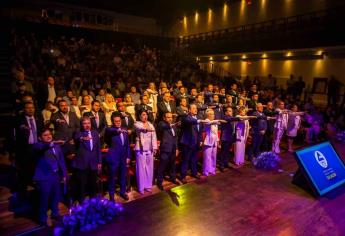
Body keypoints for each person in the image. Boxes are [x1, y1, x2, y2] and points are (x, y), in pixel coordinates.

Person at [32, 128, 67, 226]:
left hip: (56, 175)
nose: (48, 136)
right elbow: (41, 148)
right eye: (45, 135)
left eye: (49, 134)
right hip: (44, 177)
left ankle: (55, 213)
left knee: (56, 196)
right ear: (40, 138)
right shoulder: (38, 146)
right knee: (44, 198)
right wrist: (51, 144)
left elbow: (61, 160)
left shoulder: (56, 146)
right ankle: (42, 218)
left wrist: (64, 174)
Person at [14, 101, 44, 200]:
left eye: (32, 107)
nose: (31, 109)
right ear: (24, 109)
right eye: (28, 108)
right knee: (24, 169)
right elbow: (15, 134)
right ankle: (23, 190)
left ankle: (35, 183)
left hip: (37, 146)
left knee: (37, 166)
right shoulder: (19, 120)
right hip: (25, 148)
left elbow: (41, 131)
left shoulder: (38, 118)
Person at [72, 117, 102, 203]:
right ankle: (81, 201)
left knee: (93, 183)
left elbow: (98, 149)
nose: (87, 125)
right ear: (81, 124)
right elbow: (76, 137)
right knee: (82, 184)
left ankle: (93, 200)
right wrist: (82, 138)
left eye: (88, 123)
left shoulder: (95, 133)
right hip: (82, 164)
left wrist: (99, 162)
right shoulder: (79, 133)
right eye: (84, 123)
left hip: (93, 163)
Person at [104, 114, 131, 201]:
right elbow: (110, 131)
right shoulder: (109, 130)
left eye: (119, 121)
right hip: (113, 157)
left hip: (123, 157)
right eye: (116, 121)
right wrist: (118, 131)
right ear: (112, 122)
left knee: (123, 175)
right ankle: (111, 195)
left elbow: (127, 145)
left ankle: (123, 192)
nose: (118, 123)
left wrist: (128, 156)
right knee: (112, 177)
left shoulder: (125, 129)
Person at [134, 111, 157, 194]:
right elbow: (140, 128)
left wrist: (155, 148)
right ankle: (141, 187)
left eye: (146, 114)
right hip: (140, 149)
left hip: (149, 149)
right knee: (141, 169)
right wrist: (146, 129)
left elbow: (154, 136)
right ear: (140, 116)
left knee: (149, 168)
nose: (145, 116)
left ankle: (148, 186)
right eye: (143, 115)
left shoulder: (150, 124)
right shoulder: (137, 123)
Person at [180, 104, 204, 183]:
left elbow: (200, 131)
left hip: (196, 142)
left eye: (196, 108)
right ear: (189, 110)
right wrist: (199, 120)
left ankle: (194, 172)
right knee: (185, 160)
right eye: (193, 108)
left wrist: (200, 140)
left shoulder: (198, 118)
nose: (195, 110)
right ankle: (183, 176)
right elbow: (189, 121)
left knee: (194, 159)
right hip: (187, 142)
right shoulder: (186, 117)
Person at [156, 112, 179, 190]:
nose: (170, 118)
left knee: (173, 165)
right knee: (162, 166)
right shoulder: (161, 124)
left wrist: (176, 148)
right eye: (168, 117)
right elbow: (163, 127)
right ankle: (159, 182)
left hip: (173, 148)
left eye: (171, 117)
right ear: (164, 118)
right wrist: (171, 125)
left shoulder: (173, 125)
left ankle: (173, 178)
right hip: (165, 149)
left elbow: (175, 137)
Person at [219, 107, 240, 171]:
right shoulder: (225, 117)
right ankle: (221, 165)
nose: (230, 112)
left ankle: (226, 163)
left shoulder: (231, 118)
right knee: (223, 152)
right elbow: (229, 119)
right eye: (229, 111)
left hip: (230, 137)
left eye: (231, 111)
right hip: (225, 138)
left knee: (228, 152)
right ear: (226, 112)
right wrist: (239, 118)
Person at [202, 109, 222, 176]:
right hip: (208, 142)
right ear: (208, 115)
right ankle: (206, 171)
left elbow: (216, 133)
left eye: (213, 114)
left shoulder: (214, 122)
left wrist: (218, 141)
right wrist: (218, 121)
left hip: (214, 142)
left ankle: (212, 170)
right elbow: (209, 123)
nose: (213, 115)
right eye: (211, 114)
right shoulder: (207, 120)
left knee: (214, 156)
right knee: (207, 157)